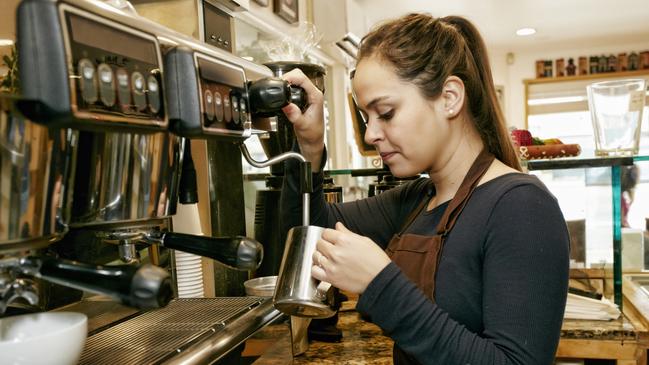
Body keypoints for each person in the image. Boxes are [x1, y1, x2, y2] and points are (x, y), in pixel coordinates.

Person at [280, 13, 569, 365]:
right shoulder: (417, 200)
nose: (371, 135)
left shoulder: (522, 207)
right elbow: (306, 234)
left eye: (385, 113)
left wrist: (379, 284)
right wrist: (308, 149)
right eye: (366, 118)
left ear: (449, 97)